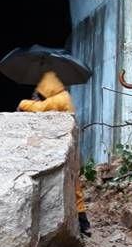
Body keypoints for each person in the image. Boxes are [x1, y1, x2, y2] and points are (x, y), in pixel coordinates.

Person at [17, 70, 92, 235]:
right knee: (74, 187)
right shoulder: (62, 98)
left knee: (72, 187)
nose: (40, 91)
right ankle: (82, 223)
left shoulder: (60, 99)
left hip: (67, 151)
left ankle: (81, 223)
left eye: (42, 88)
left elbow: (39, 107)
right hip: (68, 149)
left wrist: (24, 103)